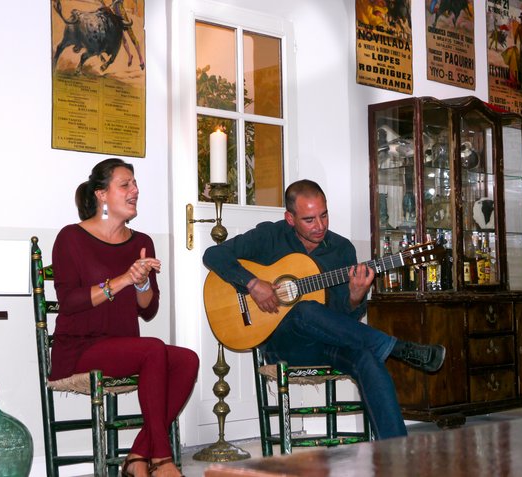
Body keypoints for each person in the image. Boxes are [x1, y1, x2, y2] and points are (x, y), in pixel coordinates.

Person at [202, 179, 446, 440]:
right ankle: (397, 348)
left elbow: (343, 321)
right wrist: (251, 283)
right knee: (303, 310)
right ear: (290, 218)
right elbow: (213, 255)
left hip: (327, 342)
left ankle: (397, 452)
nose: (320, 226)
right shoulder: (269, 236)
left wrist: (355, 297)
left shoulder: (342, 250)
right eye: (309, 219)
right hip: (284, 345)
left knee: (367, 357)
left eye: (324, 215)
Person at [51, 158, 197, 477]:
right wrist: (123, 280)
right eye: (125, 184)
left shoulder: (142, 242)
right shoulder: (70, 238)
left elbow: (148, 308)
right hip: (79, 348)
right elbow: (70, 301)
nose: (135, 190)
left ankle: (137, 454)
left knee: (187, 360)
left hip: (123, 345)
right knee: (153, 348)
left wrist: (142, 281)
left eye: (135, 184)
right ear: (102, 194)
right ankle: (161, 459)